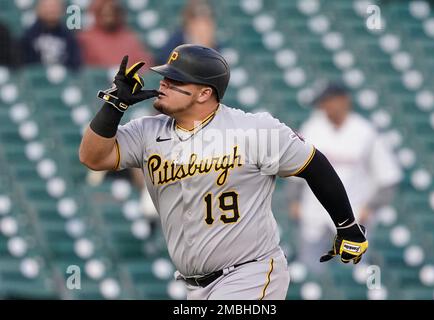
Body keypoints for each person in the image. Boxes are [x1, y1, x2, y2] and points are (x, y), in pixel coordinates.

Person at [79, 44, 368, 300]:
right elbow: (93, 157)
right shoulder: (147, 131)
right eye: (165, 76)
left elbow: (314, 164)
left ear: (205, 93)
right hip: (194, 286)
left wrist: (346, 226)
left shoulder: (252, 130)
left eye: (175, 79)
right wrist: (114, 107)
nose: (163, 83)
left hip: (249, 273)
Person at [288, 82, 402, 272]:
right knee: (311, 274)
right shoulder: (313, 128)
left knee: (352, 276)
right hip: (313, 216)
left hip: (352, 217)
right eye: (322, 103)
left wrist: (370, 207)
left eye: (328, 101)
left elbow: (388, 178)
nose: (324, 107)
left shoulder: (365, 132)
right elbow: (297, 168)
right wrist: (294, 200)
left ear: (343, 100)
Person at [77, 0, 153, 68]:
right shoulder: (85, 39)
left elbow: (144, 66)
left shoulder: (130, 38)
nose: (109, 18)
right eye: (105, 14)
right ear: (97, 15)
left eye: (112, 13)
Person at [20, 0, 81, 70]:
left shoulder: (69, 37)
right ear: (38, 9)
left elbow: (75, 64)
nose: (51, 10)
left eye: (54, 7)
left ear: (62, 10)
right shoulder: (28, 36)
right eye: (47, 7)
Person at [156, 0, 218, 64]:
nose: (203, 29)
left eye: (207, 22)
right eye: (197, 22)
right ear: (189, 24)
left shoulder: (217, 47)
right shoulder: (175, 43)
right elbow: (163, 63)